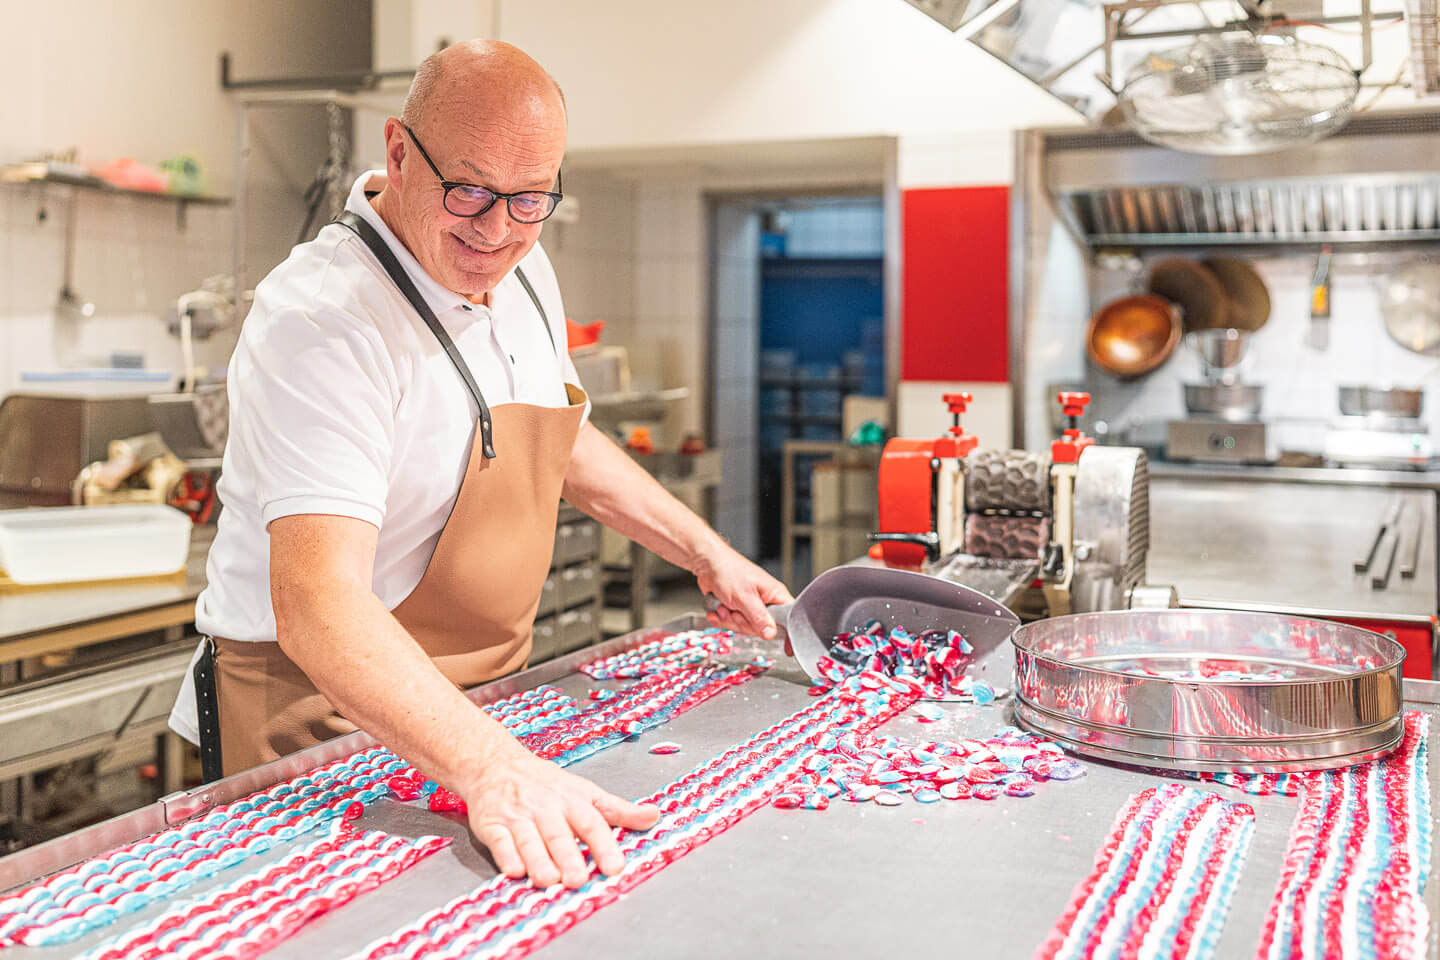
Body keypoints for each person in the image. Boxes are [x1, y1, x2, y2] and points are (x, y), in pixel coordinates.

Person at [169, 39, 791, 890]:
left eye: (529, 199)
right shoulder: (322, 320)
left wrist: (705, 554)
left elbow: (556, 437)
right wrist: (494, 770)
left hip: (476, 716)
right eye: (468, 191)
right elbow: (319, 605)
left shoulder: (525, 269)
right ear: (396, 152)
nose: (496, 231)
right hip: (318, 718)